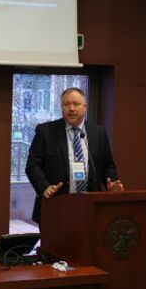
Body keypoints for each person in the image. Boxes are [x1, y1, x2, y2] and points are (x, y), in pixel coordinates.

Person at [25, 87, 123, 226]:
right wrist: (44, 187)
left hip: (90, 208)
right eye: (66, 104)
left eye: (76, 104)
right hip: (55, 206)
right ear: (61, 107)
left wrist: (111, 183)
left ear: (85, 107)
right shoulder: (46, 131)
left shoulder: (98, 132)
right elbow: (32, 165)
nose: (71, 109)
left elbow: (108, 165)